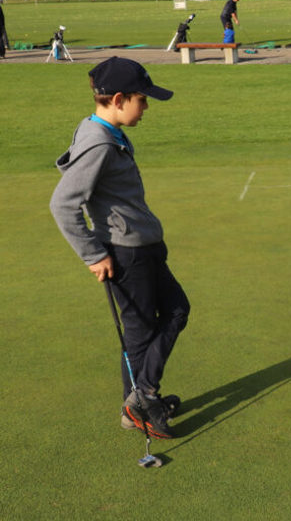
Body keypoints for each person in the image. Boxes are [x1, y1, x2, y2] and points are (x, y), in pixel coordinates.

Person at [49, 57, 188, 439]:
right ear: (119, 99)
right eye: (142, 100)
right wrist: (93, 255)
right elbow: (62, 204)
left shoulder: (105, 132)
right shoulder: (99, 144)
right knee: (142, 332)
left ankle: (139, 398)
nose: (146, 107)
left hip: (142, 245)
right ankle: (141, 401)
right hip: (127, 253)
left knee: (175, 311)